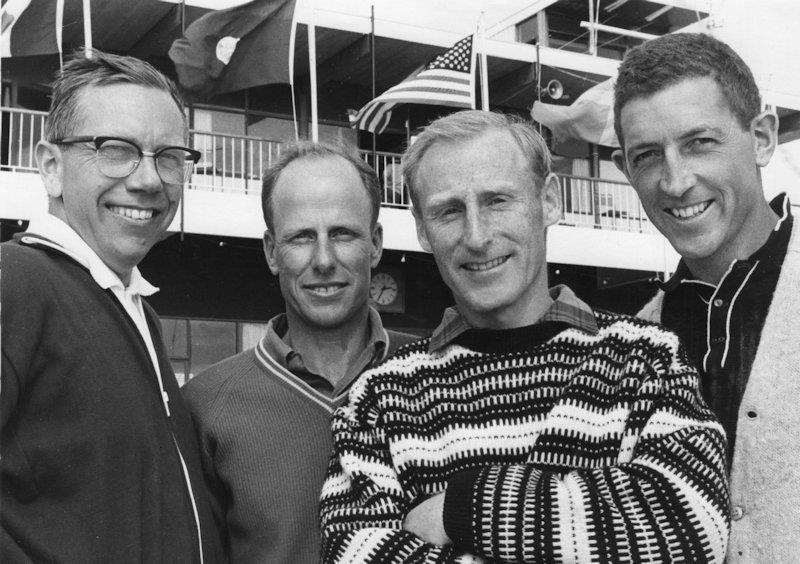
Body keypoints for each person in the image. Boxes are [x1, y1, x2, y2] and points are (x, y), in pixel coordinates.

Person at [319, 110, 730, 563]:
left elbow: (690, 522)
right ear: (421, 228)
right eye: (449, 211)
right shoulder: (379, 400)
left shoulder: (646, 358)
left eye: (497, 200)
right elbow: (353, 552)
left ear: (549, 201)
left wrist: (463, 510)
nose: (477, 237)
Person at [1, 51, 222, 562]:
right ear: (51, 167)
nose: (148, 180)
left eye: (168, 156)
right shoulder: (15, 280)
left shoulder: (134, 309)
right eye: (115, 149)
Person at [611, 32, 799, 561]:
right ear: (625, 170)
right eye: (648, 155)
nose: (675, 181)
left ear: (762, 138)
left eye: (699, 143)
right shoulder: (627, 348)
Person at [181, 142, 417, 563]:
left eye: (342, 233)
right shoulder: (204, 405)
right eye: (302, 237)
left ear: (376, 244)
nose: (323, 259)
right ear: (272, 252)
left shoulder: (435, 374)